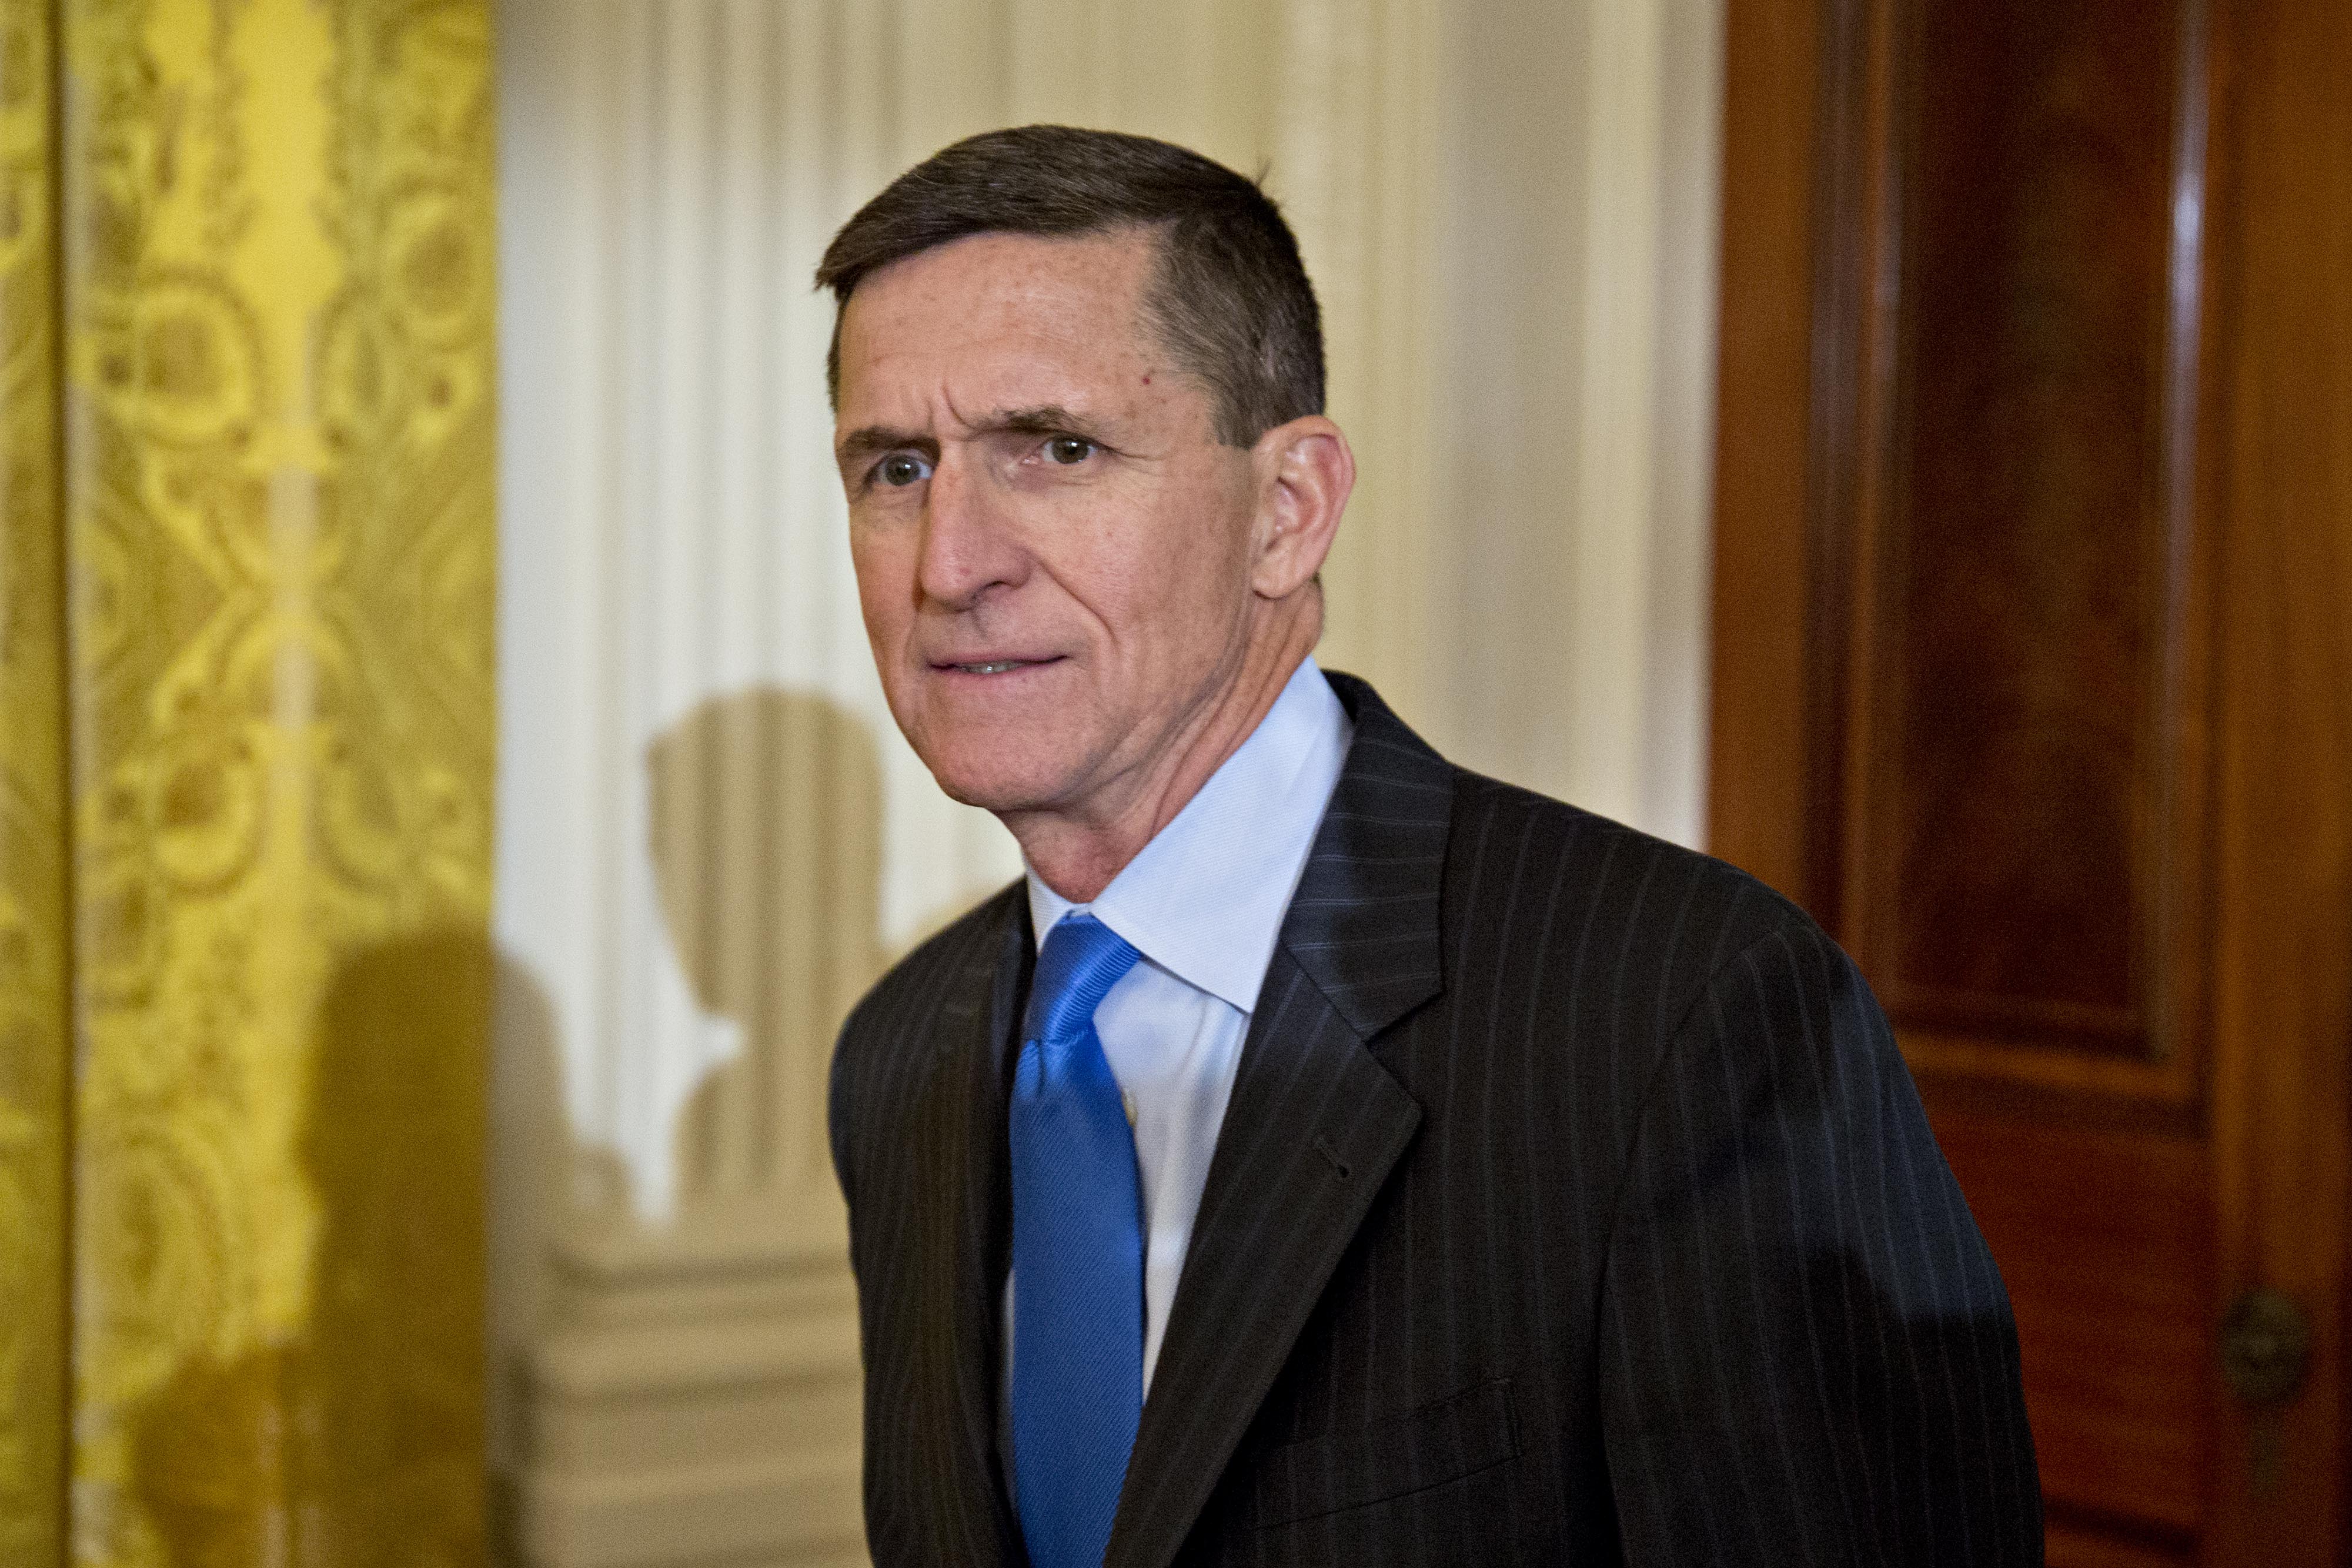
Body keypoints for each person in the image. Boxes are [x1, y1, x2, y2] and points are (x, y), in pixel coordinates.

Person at [821, 125, 2040, 1568]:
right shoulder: (899, 1053)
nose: (949, 562)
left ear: (1287, 512)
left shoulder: (1684, 1014)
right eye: (895, 467)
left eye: (1058, 448)